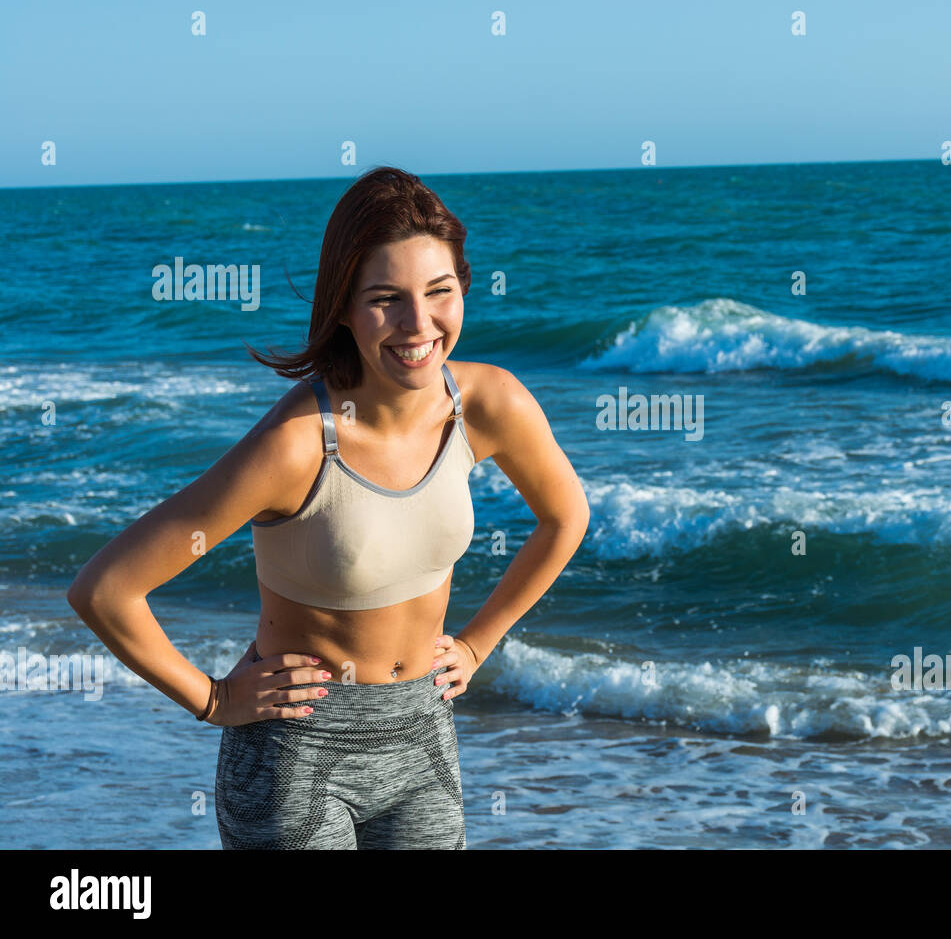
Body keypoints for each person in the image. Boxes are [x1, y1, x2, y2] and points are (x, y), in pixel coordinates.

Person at [66, 166, 590, 848]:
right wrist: (214, 699)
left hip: (422, 736)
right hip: (296, 754)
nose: (418, 324)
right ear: (342, 306)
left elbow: (565, 518)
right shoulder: (295, 447)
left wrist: (477, 642)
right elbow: (105, 589)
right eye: (386, 299)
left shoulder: (489, 404)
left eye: (439, 292)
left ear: (464, 288)